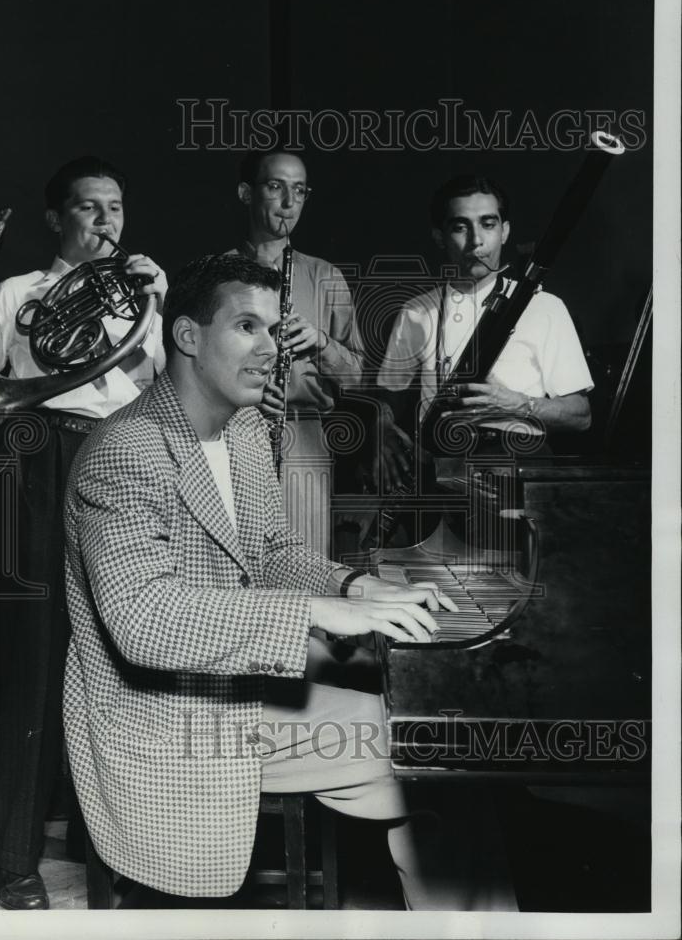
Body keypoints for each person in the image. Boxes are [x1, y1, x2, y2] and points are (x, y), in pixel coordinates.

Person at [63, 252, 517, 911]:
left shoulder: (242, 428)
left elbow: (272, 549)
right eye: (246, 326)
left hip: (233, 676)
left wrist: (354, 589)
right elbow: (143, 622)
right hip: (165, 712)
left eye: (275, 330)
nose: (270, 348)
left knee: (437, 732)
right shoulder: (124, 450)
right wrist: (314, 613)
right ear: (187, 337)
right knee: (431, 744)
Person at [0, 156, 167, 910]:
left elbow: (166, 397)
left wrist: (159, 306)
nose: (106, 220)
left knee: (117, 658)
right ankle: (16, 863)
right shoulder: (18, 295)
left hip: (118, 460)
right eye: (88, 208)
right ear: (57, 220)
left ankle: (109, 853)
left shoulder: (143, 296)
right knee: (36, 666)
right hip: (41, 458)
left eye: (114, 206)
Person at [375, 174, 593, 501]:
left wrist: (519, 403)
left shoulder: (544, 307)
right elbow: (388, 395)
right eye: (460, 227)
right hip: (438, 469)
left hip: (518, 468)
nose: (476, 241)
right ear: (439, 236)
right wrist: (382, 431)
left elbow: (581, 416)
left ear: (504, 231)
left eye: (488, 224)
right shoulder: (416, 311)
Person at [233, 150, 364, 557]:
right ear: (245, 193)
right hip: (232, 436)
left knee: (304, 570)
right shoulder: (216, 274)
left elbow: (357, 376)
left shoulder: (325, 276)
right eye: (275, 187)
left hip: (304, 440)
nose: (290, 203)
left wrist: (321, 343)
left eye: (300, 191)